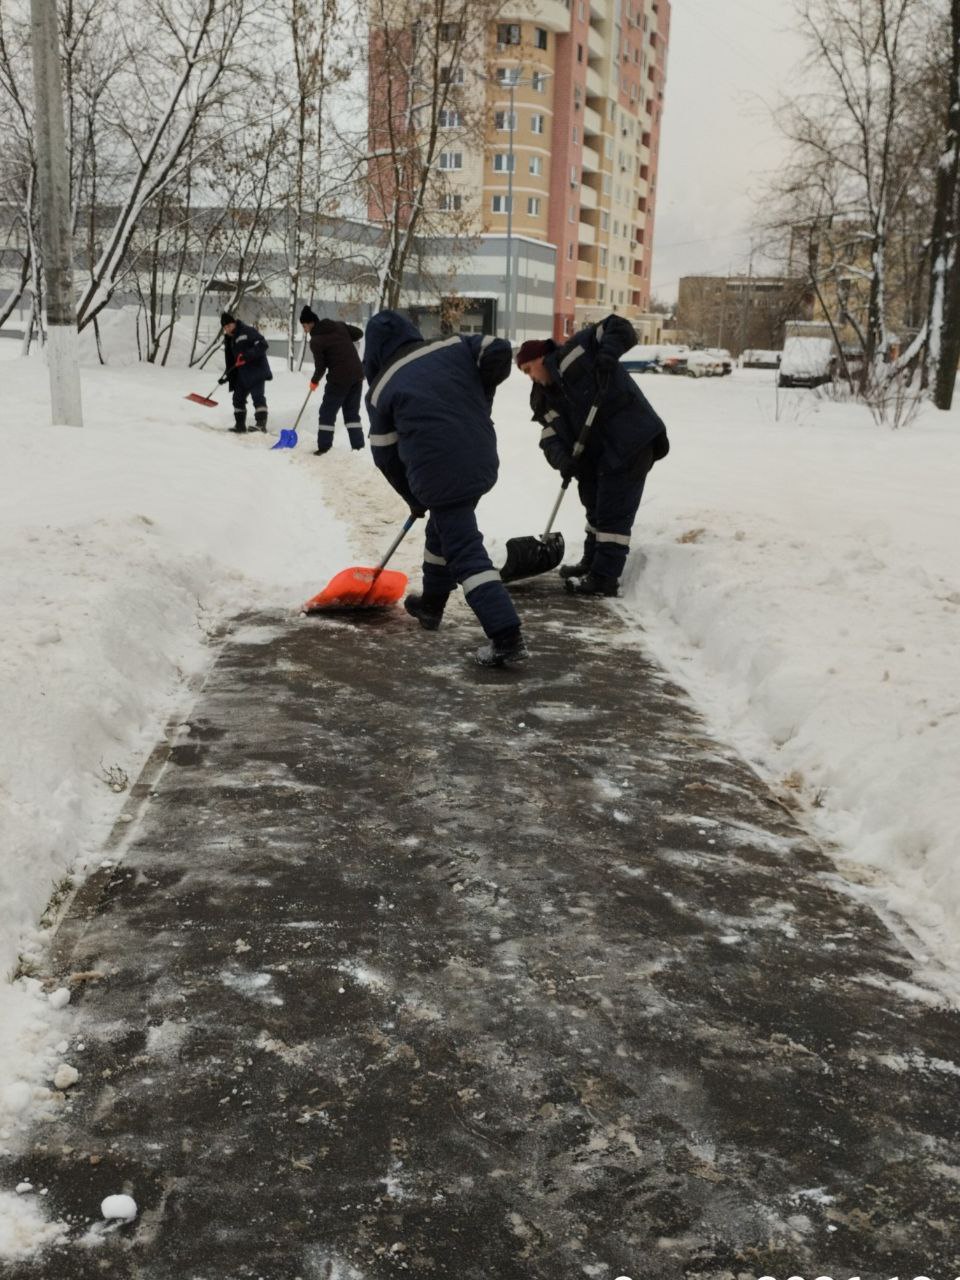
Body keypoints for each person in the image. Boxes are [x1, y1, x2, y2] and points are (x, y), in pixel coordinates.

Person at [363, 310, 527, 668]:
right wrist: (480, 401)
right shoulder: (453, 346)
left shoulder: (380, 389)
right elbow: (498, 350)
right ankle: (432, 606)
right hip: (481, 456)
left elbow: (385, 456)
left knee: (465, 549)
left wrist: (413, 497)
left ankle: (505, 635)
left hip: (439, 471)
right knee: (446, 528)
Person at [515, 315, 669, 596]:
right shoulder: (543, 399)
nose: (530, 377)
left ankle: (604, 578)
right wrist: (564, 461)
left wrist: (609, 353)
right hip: (597, 453)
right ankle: (591, 561)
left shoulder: (578, 351)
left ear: (541, 357)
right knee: (594, 502)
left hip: (631, 438)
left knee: (613, 510)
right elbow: (550, 438)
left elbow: (618, 325)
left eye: (528, 369)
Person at [299, 306, 365, 456]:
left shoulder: (316, 341)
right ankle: (358, 448)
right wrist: (344, 337)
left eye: (304, 326)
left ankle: (324, 447)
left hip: (339, 379)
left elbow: (321, 367)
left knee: (327, 412)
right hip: (357, 375)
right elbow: (359, 333)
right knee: (352, 414)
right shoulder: (339, 326)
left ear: (311, 323)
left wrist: (314, 381)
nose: (304, 329)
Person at [220, 312, 272, 433]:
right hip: (242, 375)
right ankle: (240, 425)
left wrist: (246, 356)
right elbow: (233, 362)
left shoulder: (246, 331)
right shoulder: (230, 340)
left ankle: (261, 425)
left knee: (258, 397)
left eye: (229, 325)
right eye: (225, 327)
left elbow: (263, 344)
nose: (227, 329)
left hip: (256, 370)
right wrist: (227, 376)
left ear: (234, 323)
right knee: (237, 398)